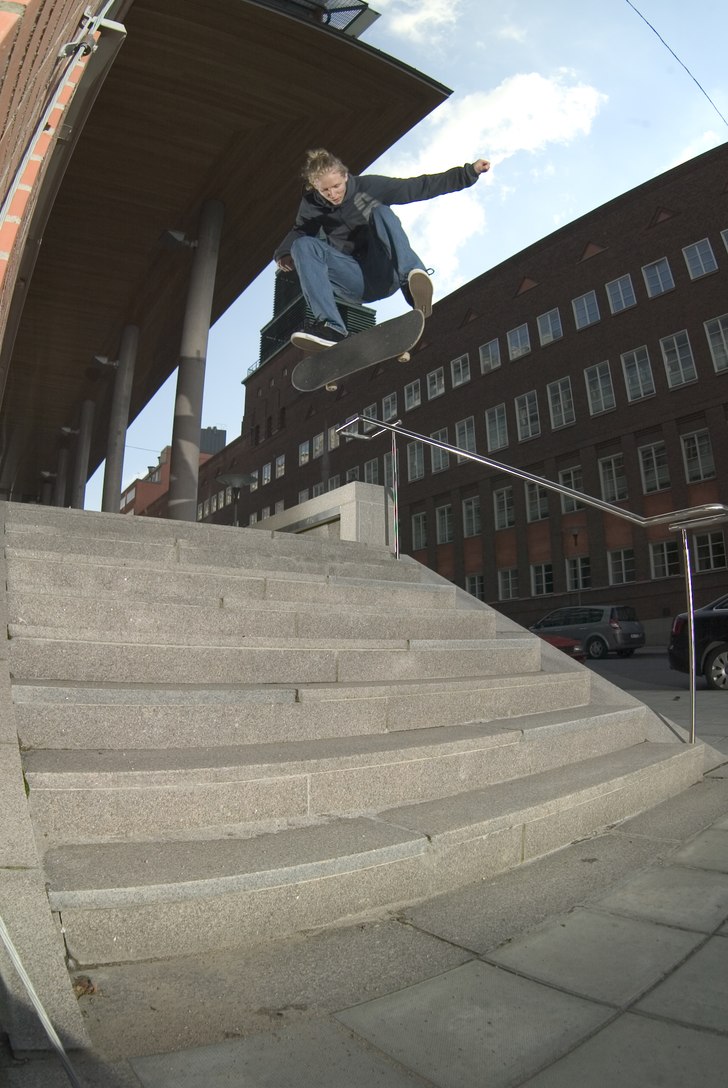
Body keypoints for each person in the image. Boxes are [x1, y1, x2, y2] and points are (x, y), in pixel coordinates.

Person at [274, 149, 491, 348]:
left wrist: (467, 174)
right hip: (354, 281)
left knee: (380, 212)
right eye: (325, 190)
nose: (332, 194)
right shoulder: (311, 206)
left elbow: (418, 187)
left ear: (346, 176)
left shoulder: (370, 187)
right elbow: (300, 230)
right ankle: (332, 328)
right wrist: (283, 252)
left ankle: (412, 282)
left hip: (386, 271)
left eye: (337, 186)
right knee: (302, 245)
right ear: (315, 188)